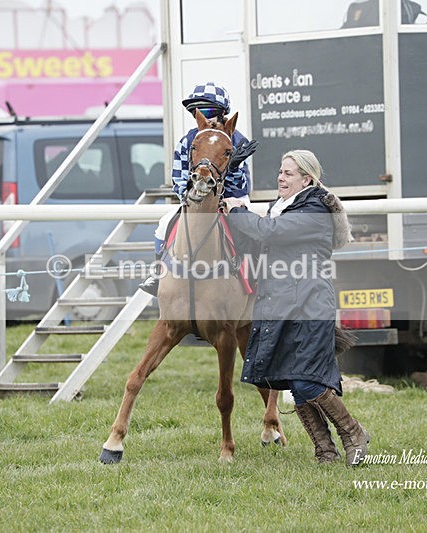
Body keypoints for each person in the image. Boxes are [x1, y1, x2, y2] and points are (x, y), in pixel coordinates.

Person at [222, 150, 368, 466]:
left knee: (306, 380)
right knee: (294, 379)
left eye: (288, 173)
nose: (280, 177)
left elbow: (269, 232)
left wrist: (240, 212)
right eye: (280, 171)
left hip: (309, 305)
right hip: (281, 306)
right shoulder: (280, 208)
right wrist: (234, 215)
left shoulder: (315, 208)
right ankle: (325, 450)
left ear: (307, 179)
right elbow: (257, 243)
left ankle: (353, 432)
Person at [138, 82, 258, 296]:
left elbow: (240, 186)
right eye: (197, 113)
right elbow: (179, 179)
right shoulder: (187, 141)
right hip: (197, 200)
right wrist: (189, 196)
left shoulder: (238, 140)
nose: (204, 117)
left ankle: (255, 277)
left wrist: (233, 167)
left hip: (233, 199)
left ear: (222, 112)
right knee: (163, 224)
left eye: (208, 111)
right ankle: (158, 274)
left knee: (248, 229)